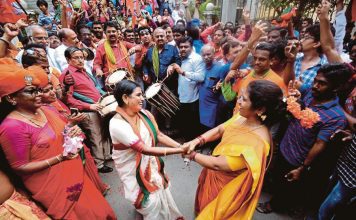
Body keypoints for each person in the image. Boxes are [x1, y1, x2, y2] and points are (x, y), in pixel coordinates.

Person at [0, 59, 116, 219]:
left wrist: (71, 130)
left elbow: (63, 130)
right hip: (54, 187)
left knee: (99, 212)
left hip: (75, 173)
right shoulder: (11, 127)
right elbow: (20, 167)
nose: (39, 94)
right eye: (31, 92)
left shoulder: (46, 109)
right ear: (12, 99)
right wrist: (59, 158)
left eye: (38, 90)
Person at [257, 63, 353, 214]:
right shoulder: (309, 92)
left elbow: (319, 144)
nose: (315, 85)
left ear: (336, 87)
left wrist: (302, 167)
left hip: (297, 160)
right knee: (277, 179)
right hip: (284, 147)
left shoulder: (336, 117)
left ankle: (274, 206)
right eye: (315, 80)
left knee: (287, 187)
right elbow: (292, 82)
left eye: (322, 84)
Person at [183, 80, 285, 219]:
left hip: (226, 188)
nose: (239, 101)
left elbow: (218, 164)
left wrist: (192, 155)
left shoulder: (258, 142)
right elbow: (220, 130)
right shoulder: (242, 117)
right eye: (240, 96)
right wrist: (197, 141)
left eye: (244, 99)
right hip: (213, 171)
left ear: (260, 109)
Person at [108, 80, 186, 219]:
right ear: (125, 98)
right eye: (138, 95)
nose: (142, 98)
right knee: (149, 202)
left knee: (159, 189)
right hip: (134, 168)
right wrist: (180, 151)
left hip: (150, 162)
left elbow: (159, 135)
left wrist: (181, 147)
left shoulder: (143, 113)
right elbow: (143, 149)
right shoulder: (116, 124)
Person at [60, 47, 112, 173]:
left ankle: (107, 156)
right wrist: (89, 106)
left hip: (98, 107)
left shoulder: (83, 71)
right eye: (76, 58)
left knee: (104, 131)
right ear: (68, 59)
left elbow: (94, 87)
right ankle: (99, 163)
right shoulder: (67, 75)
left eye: (81, 57)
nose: (80, 60)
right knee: (96, 136)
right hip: (88, 111)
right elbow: (69, 99)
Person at [174, 36, 204, 140]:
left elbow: (201, 77)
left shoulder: (197, 59)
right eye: (181, 47)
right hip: (182, 95)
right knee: (185, 120)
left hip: (192, 97)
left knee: (192, 122)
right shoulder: (180, 57)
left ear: (191, 47)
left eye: (186, 47)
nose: (183, 49)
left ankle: (193, 145)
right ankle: (187, 141)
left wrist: (183, 72)